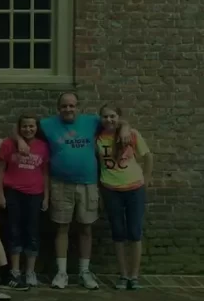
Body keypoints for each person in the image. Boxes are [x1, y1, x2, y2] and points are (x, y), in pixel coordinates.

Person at [14, 92, 131, 290]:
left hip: (88, 183)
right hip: (60, 184)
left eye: (72, 106)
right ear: (58, 108)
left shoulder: (92, 121)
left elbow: (116, 120)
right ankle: (62, 272)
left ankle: (84, 271)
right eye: (64, 106)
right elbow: (20, 127)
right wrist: (19, 140)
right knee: (62, 227)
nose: (68, 109)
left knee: (86, 228)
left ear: (78, 107)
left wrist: (126, 127)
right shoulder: (48, 125)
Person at [97, 105, 153, 290]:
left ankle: (134, 276)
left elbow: (147, 156)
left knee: (135, 232)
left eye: (112, 116)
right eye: (105, 117)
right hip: (110, 189)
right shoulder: (97, 137)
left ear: (119, 117)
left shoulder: (132, 134)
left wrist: (146, 178)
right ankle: (123, 275)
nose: (109, 120)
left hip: (134, 188)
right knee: (118, 233)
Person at [0, 114, 48, 290]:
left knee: (32, 231)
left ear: (36, 128)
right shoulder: (9, 144)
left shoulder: (42, 146)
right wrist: (0, 194)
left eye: (31, 126)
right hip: (13, 192)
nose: (28, 129)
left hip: (35, 193)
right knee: (14, 230)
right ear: (19, 128)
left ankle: (30, 272)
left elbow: (46, 173)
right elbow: (1, 169)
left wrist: (46, 196)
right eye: (24, 126)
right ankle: (16, 271)